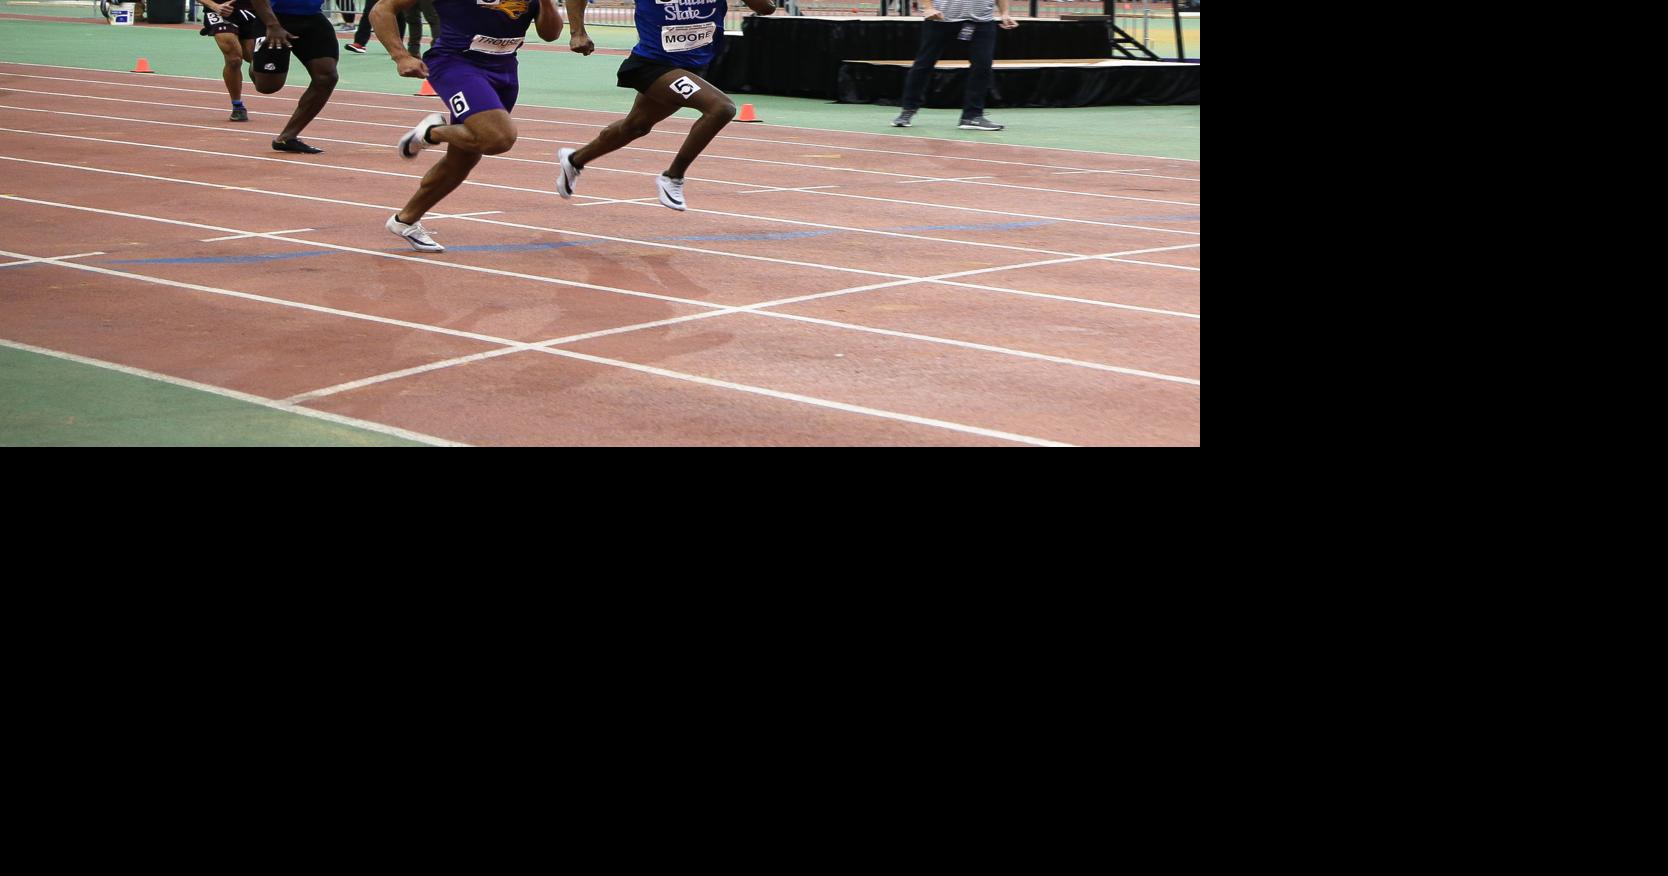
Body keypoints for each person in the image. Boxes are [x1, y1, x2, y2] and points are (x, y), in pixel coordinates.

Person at [374, 0, 564, 253]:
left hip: (504, 69)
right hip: (455, 64)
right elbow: (382, 9)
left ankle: (405, 221)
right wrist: (401, 56)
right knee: (498, 138)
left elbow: (550, 34)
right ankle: (432, 133)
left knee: (462, 159)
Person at [556, 0, 778, 212]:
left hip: (693, 65)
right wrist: (578, 32)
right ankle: (673, 177)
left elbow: (765, 8)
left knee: (636, 126)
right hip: (651, 65)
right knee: (721, 108)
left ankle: (574, 160)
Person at [890, 0, 1017, 131]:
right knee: (923, 65)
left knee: (982, 67)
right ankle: (908, 110)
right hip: (940, 20)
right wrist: (928, 7)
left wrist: (1005, 13)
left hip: (982, 22)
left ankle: (972, 116)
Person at [245, 0, 342, 153]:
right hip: (274, 18)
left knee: (327, 77)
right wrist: (272, 25)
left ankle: (287, 138)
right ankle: (256, 64)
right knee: (267, 87)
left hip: (312, 18)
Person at [197, 0, 263, 122]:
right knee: (234, 60)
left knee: (254, 58)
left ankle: (257, 70)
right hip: (220, 11)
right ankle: (237, 106)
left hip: (250, 10)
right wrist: (215, 6)